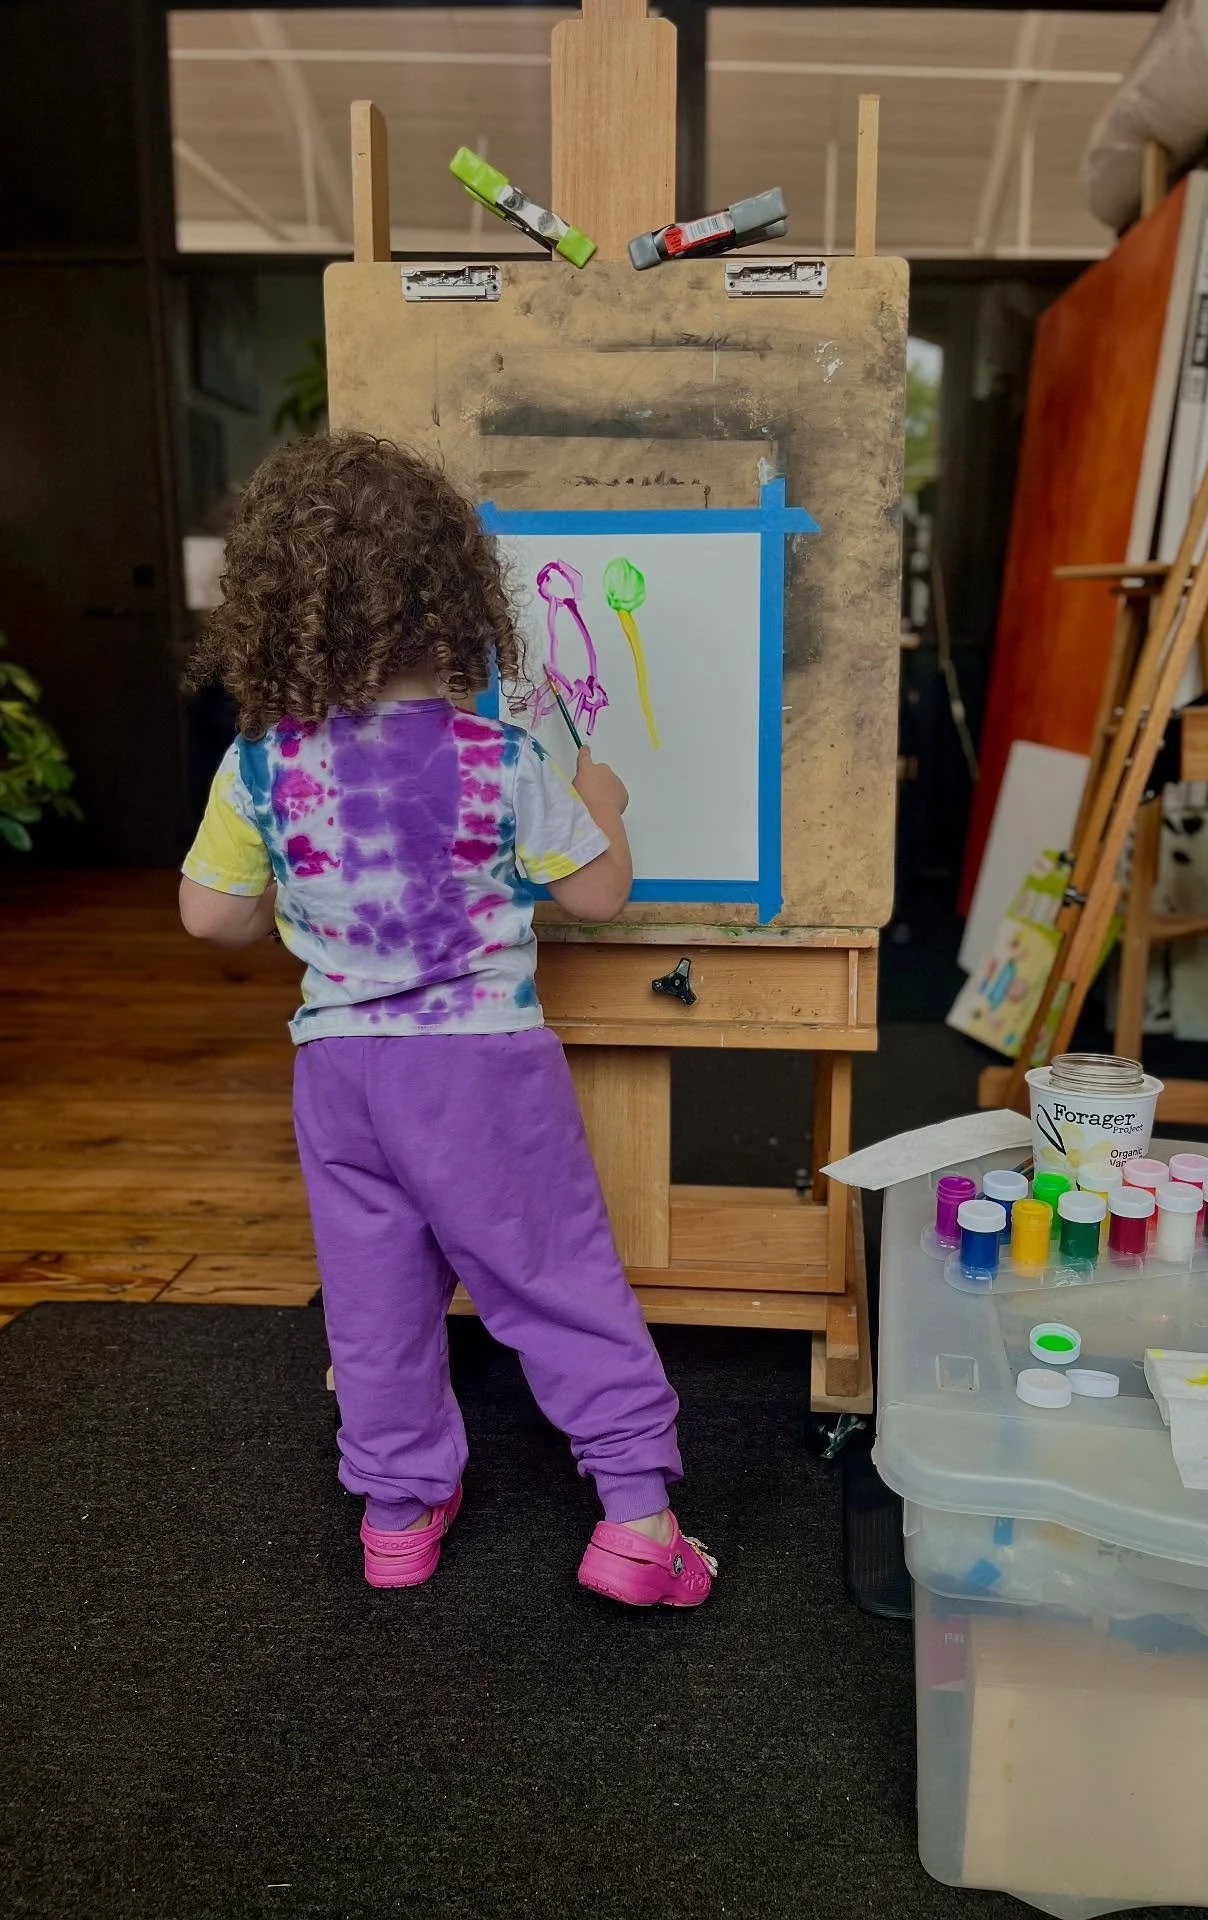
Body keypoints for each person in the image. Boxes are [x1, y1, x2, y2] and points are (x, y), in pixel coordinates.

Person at [178, 430, 714, 1607]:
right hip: (478, 1071)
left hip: (340, 1076)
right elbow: (599, 895)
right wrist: (604, 802)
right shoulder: (504, 756)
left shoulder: (261, 764)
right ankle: (636, 1520)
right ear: (454, 598)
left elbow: (208, 920)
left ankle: (398, 1515)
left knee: (373, 1300)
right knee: (552, 1279)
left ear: (280, 611)